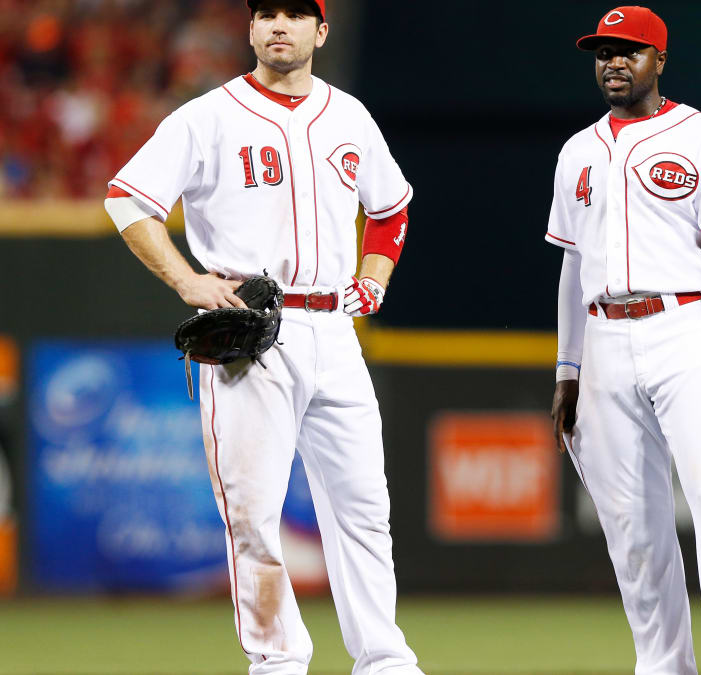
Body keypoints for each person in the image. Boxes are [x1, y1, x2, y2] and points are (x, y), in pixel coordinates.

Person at [102, 2, 422, 673]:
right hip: (252, 332)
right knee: (253, 513)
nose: (281, 24)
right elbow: (126, 198)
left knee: (365, 507)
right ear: (250, 30)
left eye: (297, 14)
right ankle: (276, 661)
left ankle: (384, 659)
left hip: (335, 330)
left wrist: (375, 275)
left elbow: (390, 207)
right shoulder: (208, 116)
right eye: (267, 13)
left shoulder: (349, 115)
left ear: (321, 31)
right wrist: (186, 279)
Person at [547, 6, 701, 674]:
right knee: (633, 529)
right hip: (601, 340)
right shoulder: (577, 152)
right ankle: (663, 666)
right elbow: (573, 267)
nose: (613, 62)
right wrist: (567, 369)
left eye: (629, 51)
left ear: (660, 60)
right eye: (603, 52)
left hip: (686, 326)